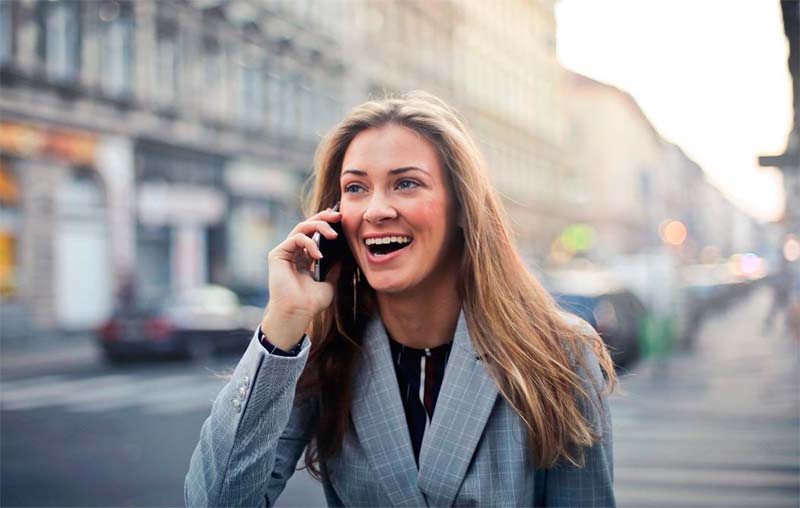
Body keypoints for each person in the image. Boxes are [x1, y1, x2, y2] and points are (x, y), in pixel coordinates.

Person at [185, 91, 618, 507]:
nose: (375, 210)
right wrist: (284, 319)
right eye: (355, 188)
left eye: (406, 183)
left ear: (462, 209)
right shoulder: (327, 354)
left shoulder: (557, 354)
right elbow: (217, 500)